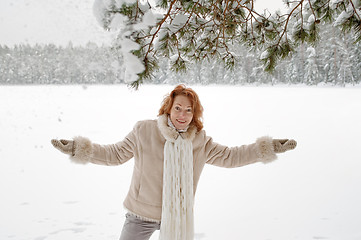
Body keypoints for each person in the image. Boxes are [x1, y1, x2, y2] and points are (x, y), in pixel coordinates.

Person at [51, 84, 297, 240]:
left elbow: (232, 157)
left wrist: (269, 147)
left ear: (194, 114)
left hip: (178, 219)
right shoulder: (144, 131)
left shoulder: (199, 141)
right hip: (140, 215)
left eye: (188, 110)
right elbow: (114, 154)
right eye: (178, 108)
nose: (182, 115)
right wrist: (78, 148)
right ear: (168, 109)